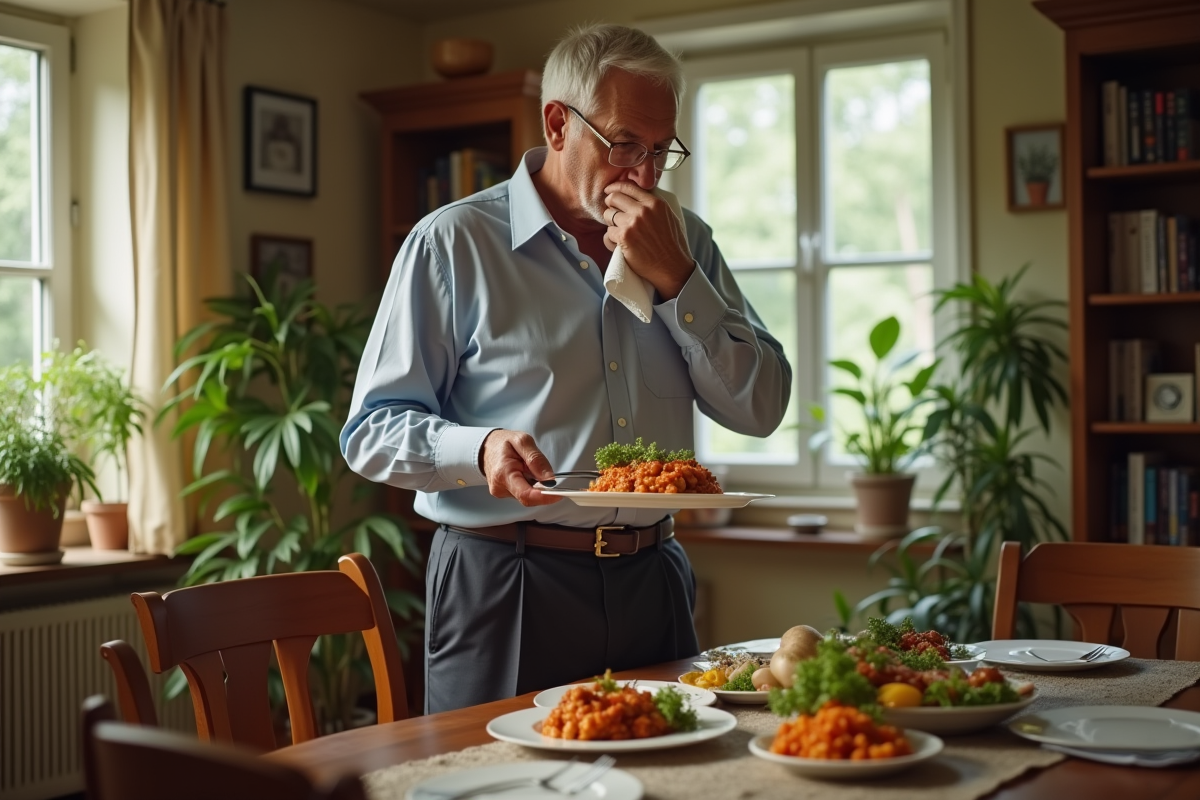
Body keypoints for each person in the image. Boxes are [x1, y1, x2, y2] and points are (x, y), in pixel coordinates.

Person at [341, 23, 791, 714]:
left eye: (660, 150)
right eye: (624, 144)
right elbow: (370, 431)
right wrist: (479, 446)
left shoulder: (686, 241)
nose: (643, 174)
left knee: (675, 780)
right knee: (489, 785)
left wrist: (678, 281)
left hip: (655, 578)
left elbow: (759, 409)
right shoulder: (453, 243)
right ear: (558, 124)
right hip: (506, 579)